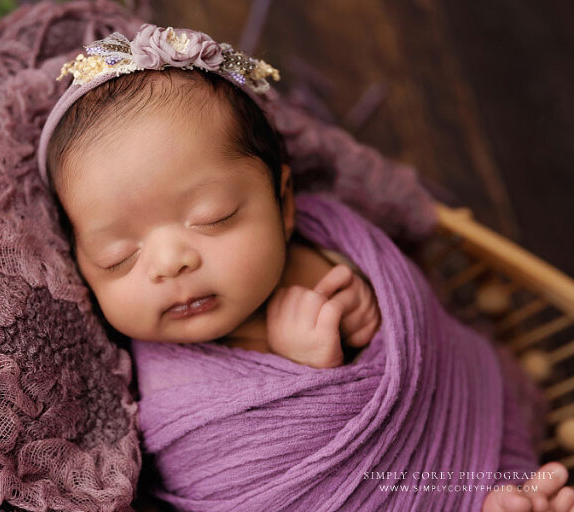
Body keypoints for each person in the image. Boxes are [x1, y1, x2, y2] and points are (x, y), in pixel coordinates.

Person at [37, 24, 574, 511]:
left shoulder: (334, 240)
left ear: (285, 203)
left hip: (462, 431)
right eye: (118, 256)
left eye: (213, 218)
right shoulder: (172, 391)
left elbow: (422, 335)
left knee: (507, 473)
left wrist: (370, 299)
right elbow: (231, 485)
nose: (170, 263)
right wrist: (311, 372)